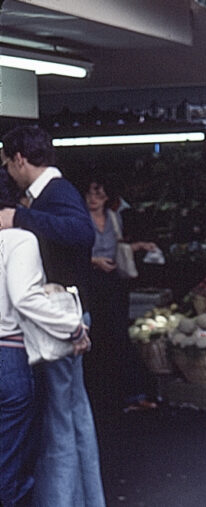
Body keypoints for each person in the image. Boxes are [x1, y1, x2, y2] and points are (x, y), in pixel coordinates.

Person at [0, 125, 106, 506]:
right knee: (74, 418)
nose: (8, 173)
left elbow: (81, 233)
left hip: (61, 321)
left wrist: (20, 219)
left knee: (59, 425)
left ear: (20, 159)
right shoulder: (50, 193)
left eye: (8, 164)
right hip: (68, 318)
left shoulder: (55, 192)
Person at [84, 179, 158, 410]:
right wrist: (94, 262)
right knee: (97, 336)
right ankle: (101, 395)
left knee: (118, 335)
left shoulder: (115, 218)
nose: (94, 199)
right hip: (92, 283)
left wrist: (141, 246)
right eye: (91, 194)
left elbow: (120, 247)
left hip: (114, 284)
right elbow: (71, 254)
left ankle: (129, 393)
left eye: (100, 194)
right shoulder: (80, 220)